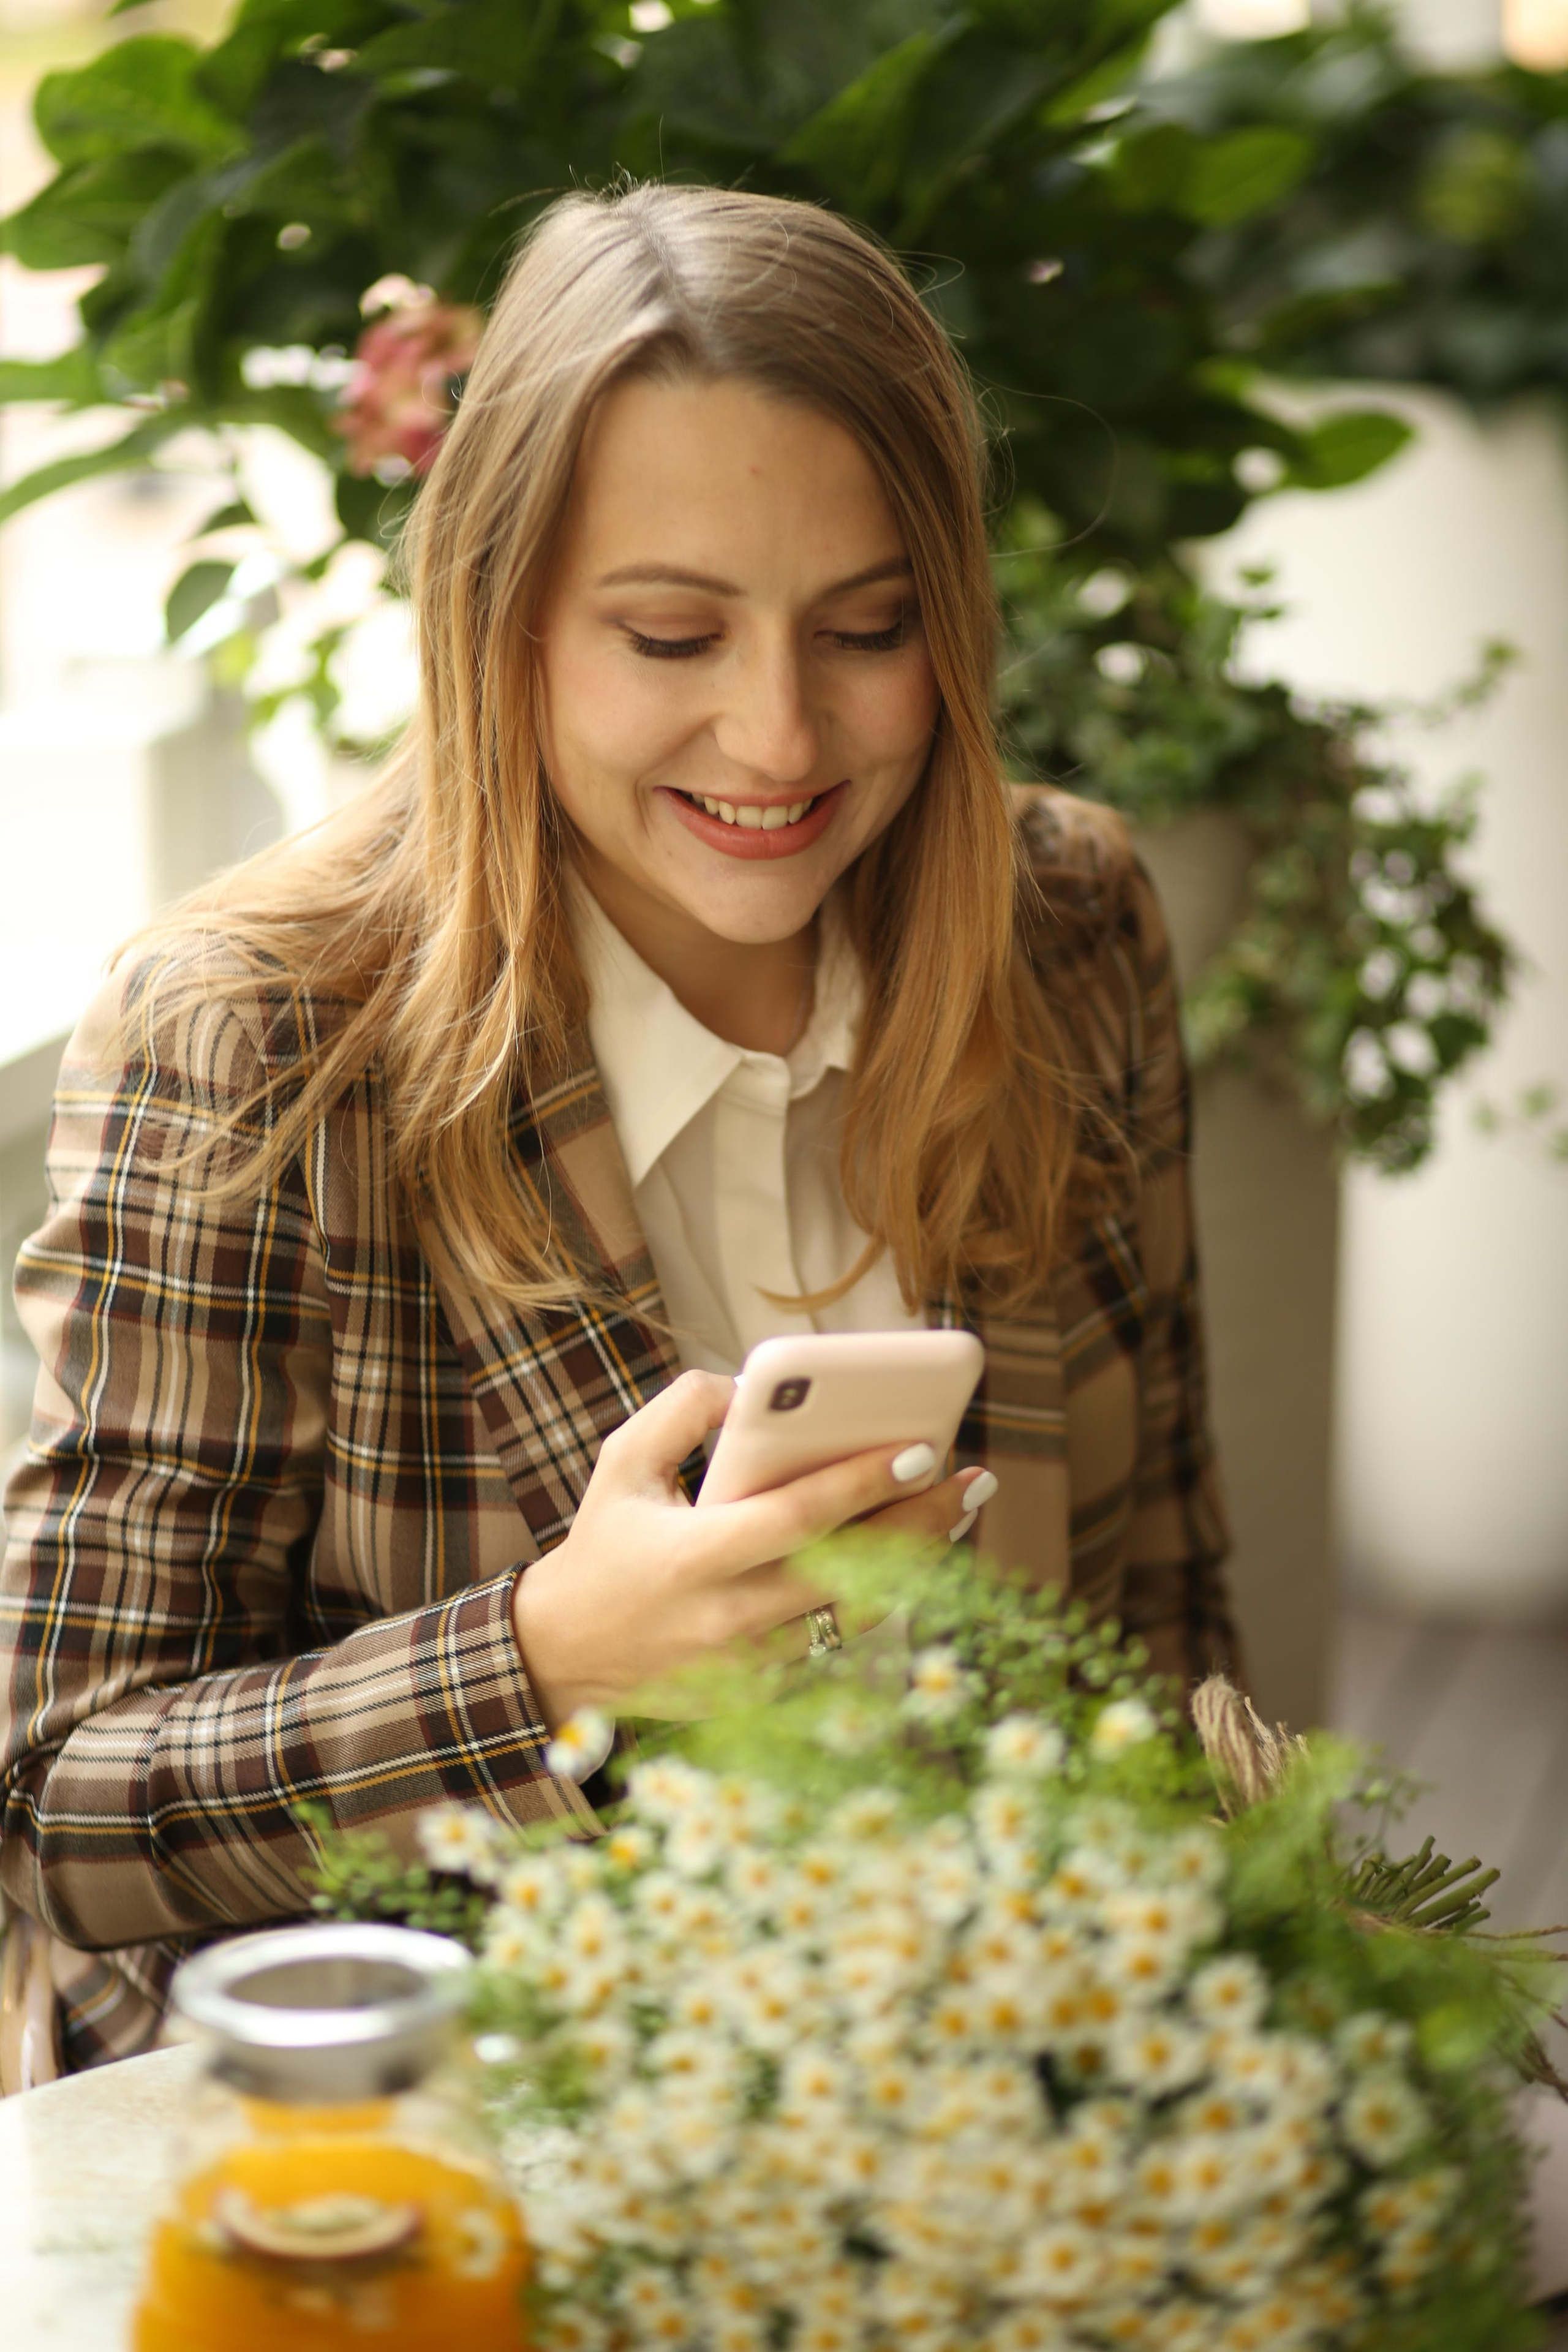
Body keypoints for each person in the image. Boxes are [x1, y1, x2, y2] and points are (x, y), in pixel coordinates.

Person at [0, 183, 1238, 2075]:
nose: (780, 738)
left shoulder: (1063, 928)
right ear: (497, 622)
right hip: (428, 2144)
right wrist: (540, 1662)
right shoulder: (251, 1037)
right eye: (670, 636)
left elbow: (1169, 1614)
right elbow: (53, 1803)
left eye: (870, 627)